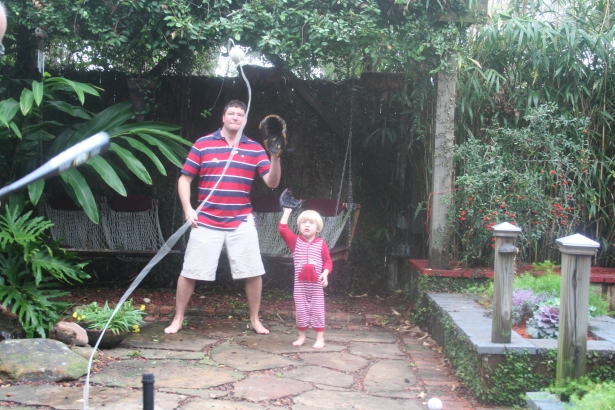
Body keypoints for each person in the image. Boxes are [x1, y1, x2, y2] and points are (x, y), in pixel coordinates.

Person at [164, 100, 281, 335]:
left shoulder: (255, 148)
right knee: (190, 271)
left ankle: (255, 320)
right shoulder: (203, 144)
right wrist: (188, 209)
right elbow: (184, 179)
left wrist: (275, 157)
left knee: (253, 271)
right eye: (231, 113)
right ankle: (178, 318)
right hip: (205, 220)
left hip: (241, 219)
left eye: (240, 114)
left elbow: (272, 182)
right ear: (223, 117)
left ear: (245, 120)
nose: (235, 117)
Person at [278, 206, 332, 348]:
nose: (307, 225)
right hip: (300, 287)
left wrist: (325, 273)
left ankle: (320, 338)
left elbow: (328, 261)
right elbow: (282, 230)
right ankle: (301, 337)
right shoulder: (295, 242)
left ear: (318, 228)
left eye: (311, 223)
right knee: (301, 312)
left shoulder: (321, 244)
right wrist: (287, 212)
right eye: (303, 222)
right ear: (299, 227)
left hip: (316, 287)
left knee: (318, 311)